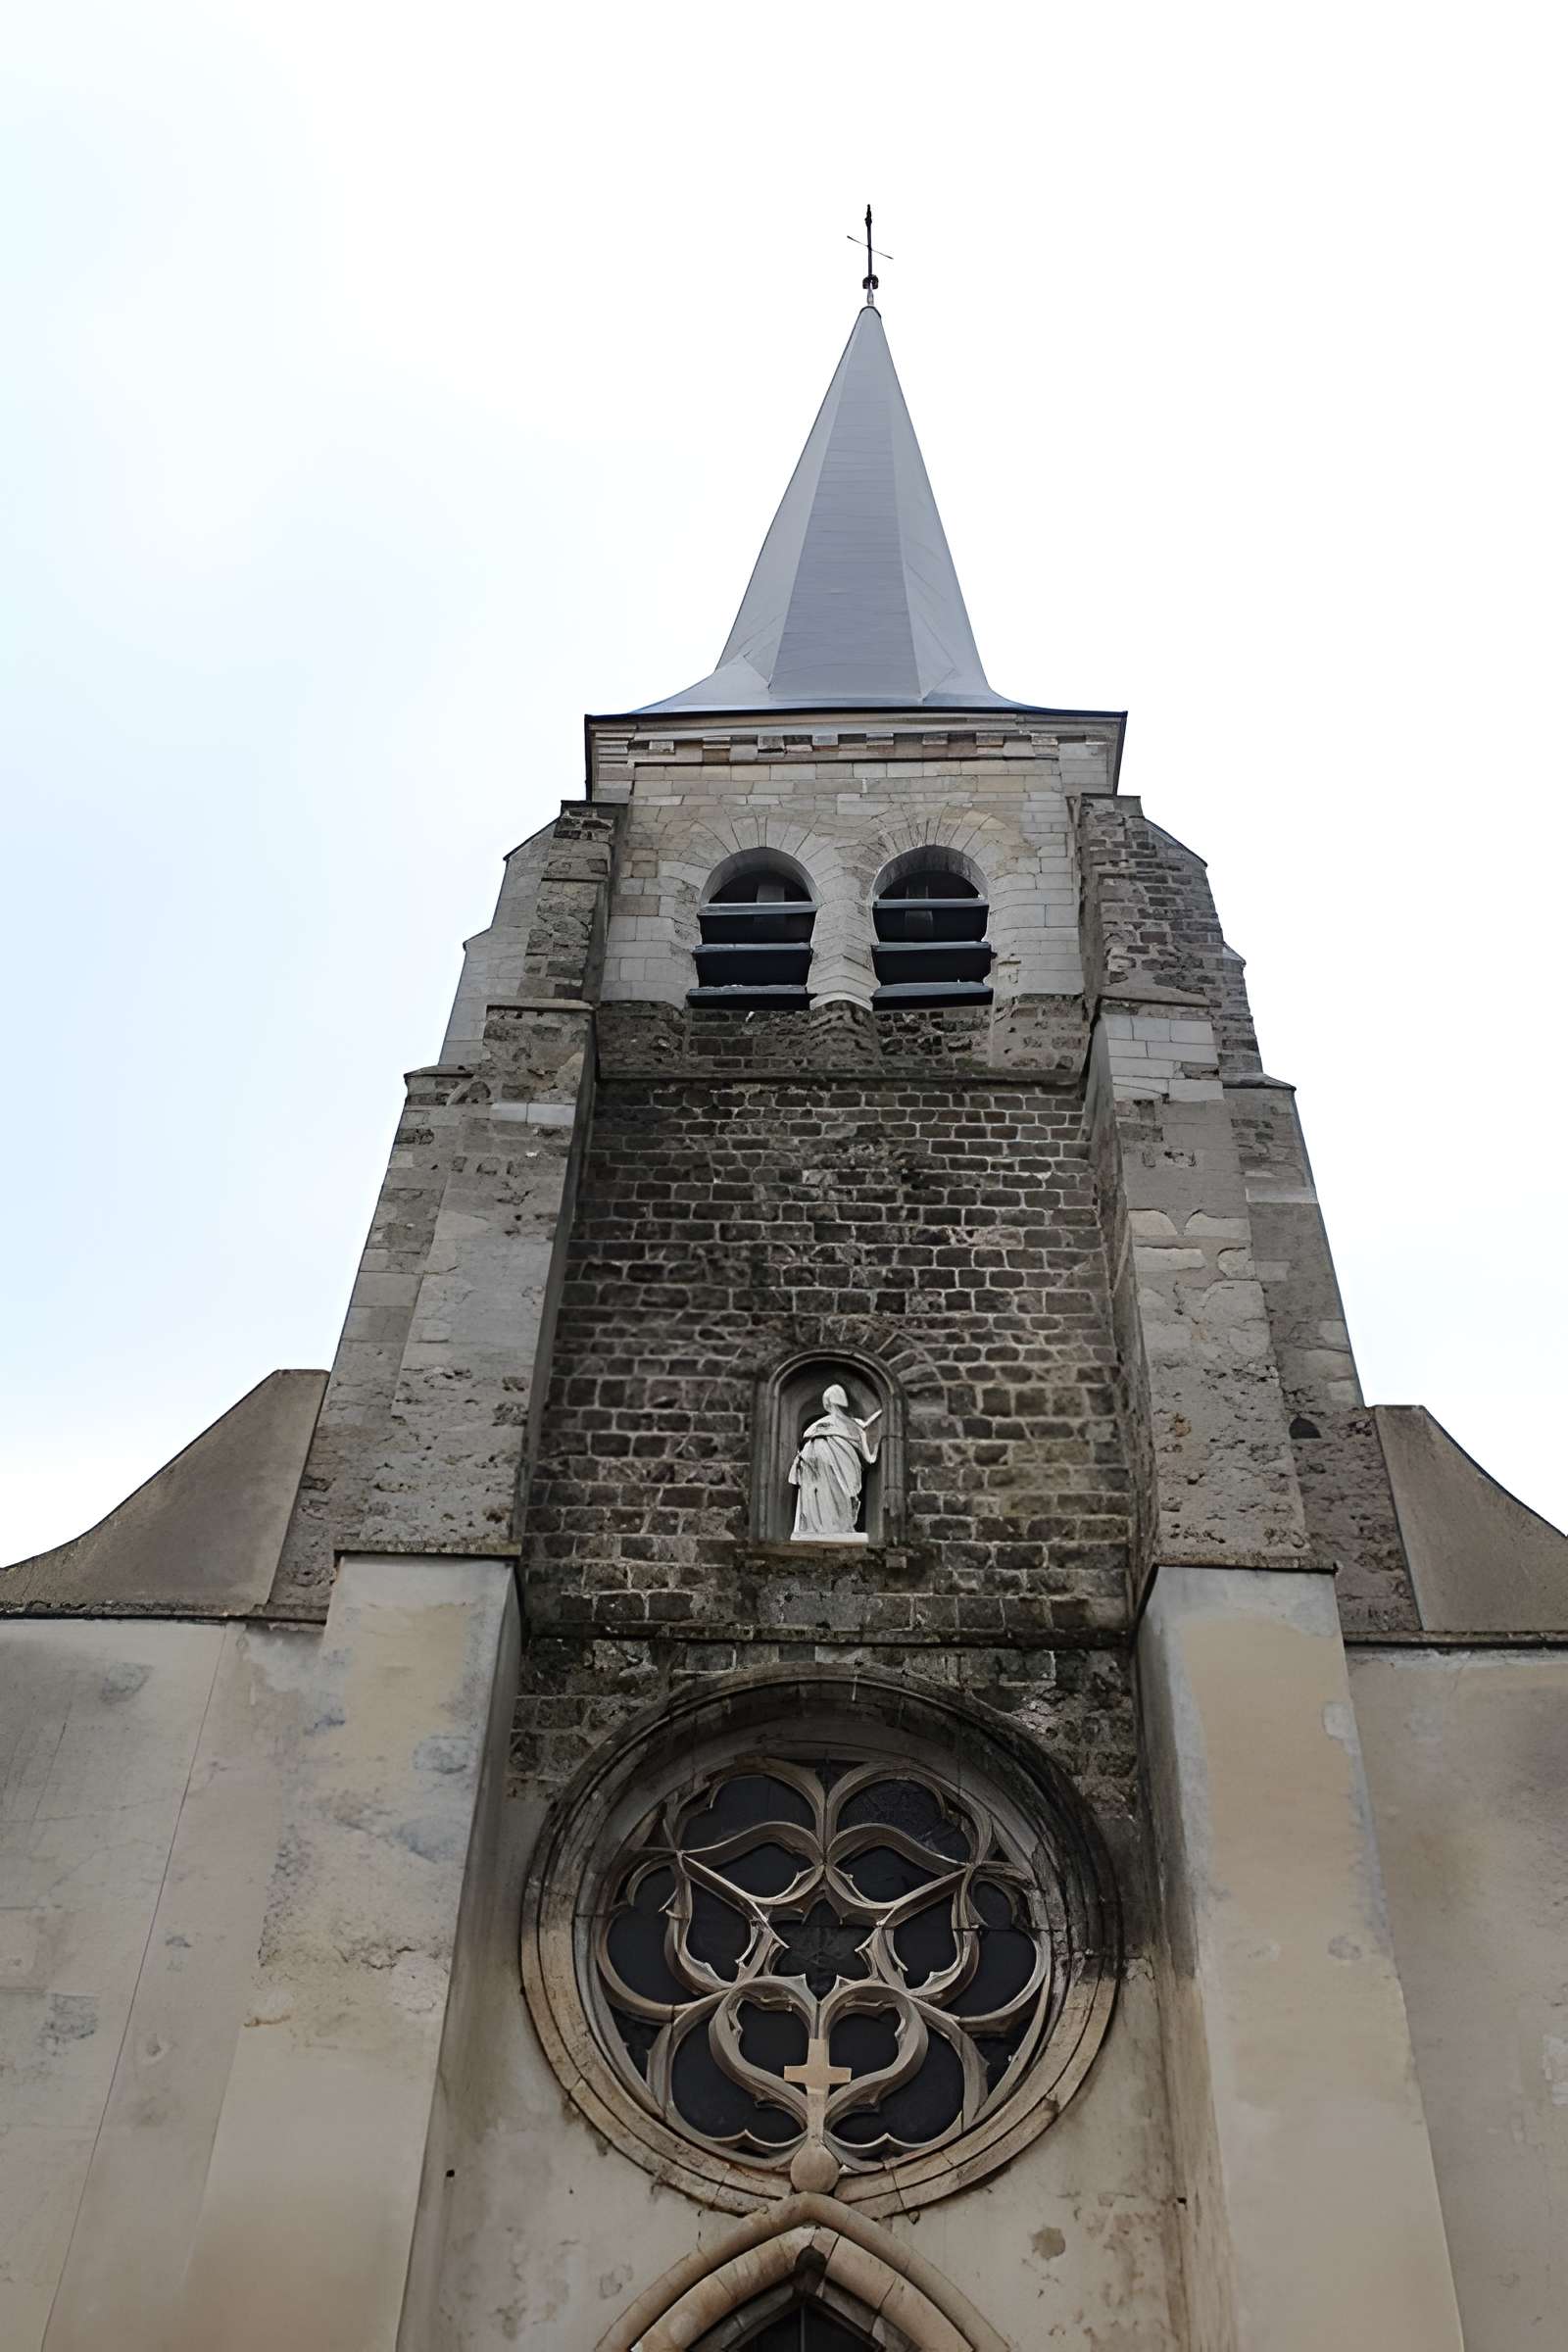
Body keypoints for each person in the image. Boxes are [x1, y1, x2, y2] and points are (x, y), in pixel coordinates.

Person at [788, 1385, 882, 1540]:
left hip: (845, 1464)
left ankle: (840, 1526)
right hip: (819, 1472)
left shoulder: (852, 1425)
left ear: (828, 1403)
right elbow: (869, 1457)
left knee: (841, 1495)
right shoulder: (835, 1425)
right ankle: (819, 1527)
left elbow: (868, 1457)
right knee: (823, 1493)